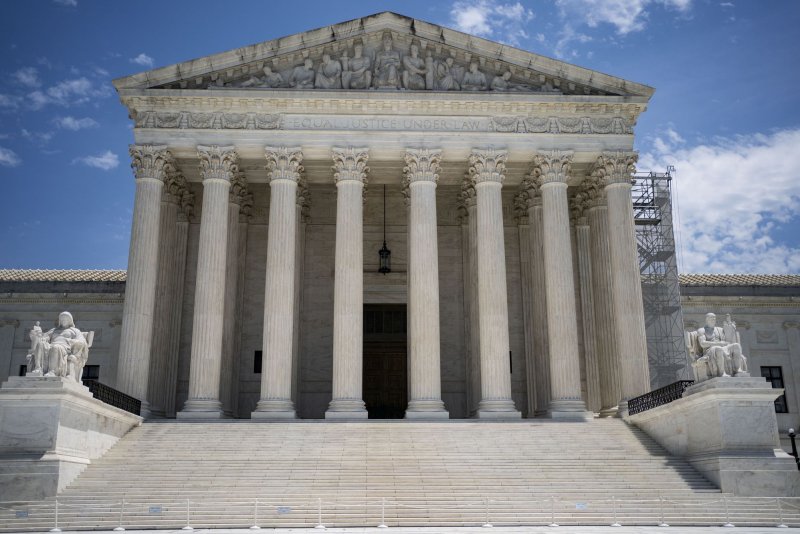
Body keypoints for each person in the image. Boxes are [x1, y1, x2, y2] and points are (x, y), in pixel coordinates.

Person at [27, 311, 88, 381]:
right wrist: (36, 335)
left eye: (65, 319)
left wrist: (71, 342)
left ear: (70, 321)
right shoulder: (54, 330)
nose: (63, 320)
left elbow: (82, 341)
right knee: (40, 344)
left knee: (55, 347)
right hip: (51, 345)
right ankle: (38, 368)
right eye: (62, 319)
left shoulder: (75, 331)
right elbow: (45, 337)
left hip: (65, 348)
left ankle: (53, 371)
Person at [696, 312, 748, 377]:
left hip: (723, 347)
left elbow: (728, 339)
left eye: (714, 319)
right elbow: (703, 344)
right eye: (711, 319)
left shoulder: (719, 329)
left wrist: (729, 327)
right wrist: (718, 343)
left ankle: (737, 369)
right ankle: (722, 373)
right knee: (718, 348)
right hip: (709, 350)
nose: (713, 320)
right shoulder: (702, 330)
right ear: (707, 320)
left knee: (736, 346)